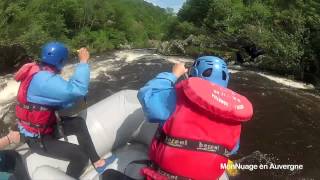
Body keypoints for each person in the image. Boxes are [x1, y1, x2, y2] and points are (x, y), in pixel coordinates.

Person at [137, 56, 253, 179]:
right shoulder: (234, 113)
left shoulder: (178, 97)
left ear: (194, 73)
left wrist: (173, 74)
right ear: (226, 79)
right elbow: (234, 148)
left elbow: (148, 97)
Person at [14, 42, 114, 179]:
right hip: (38, 139)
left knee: (78, 123)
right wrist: (83, 62)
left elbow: (59, 101)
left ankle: (96, 161)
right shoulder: (44, 81)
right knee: (80, 156)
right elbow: (78, 90)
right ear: (60, 61)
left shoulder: (38, 71)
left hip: (43, 129)